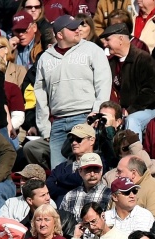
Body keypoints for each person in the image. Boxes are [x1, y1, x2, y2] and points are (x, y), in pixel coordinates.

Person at [34, 15, 110, 169]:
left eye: (79, 26)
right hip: (58, 122)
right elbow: (40, 94)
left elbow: (104, 82)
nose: (78, 30)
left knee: (85, 168)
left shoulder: (92, 50)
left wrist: (97, 111)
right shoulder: (45, 58)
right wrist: (44, 127)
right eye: (73, 28)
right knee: (58, 171)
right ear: (60, 35)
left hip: (85, 117)